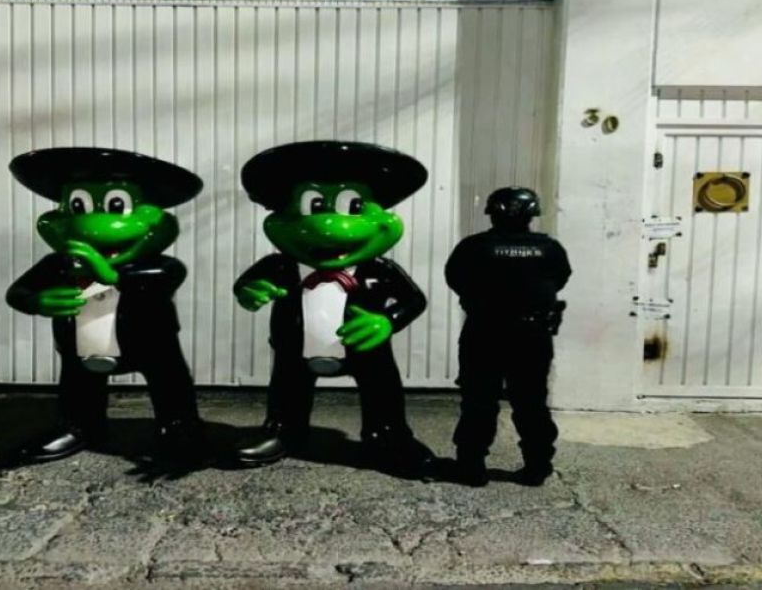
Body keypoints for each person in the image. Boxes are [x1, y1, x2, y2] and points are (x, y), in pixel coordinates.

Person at [233, 140, 437, 478]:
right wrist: (248, 292)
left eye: (353, 206)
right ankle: (283, 430)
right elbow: (245, 285)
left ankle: (388, 436)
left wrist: (387, 320)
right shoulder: (280, 267)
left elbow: (413, 300)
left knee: (382, 390)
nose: (328, 225)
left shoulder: (380, 270)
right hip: (293, 350)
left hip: (366, 350)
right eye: (313, 206)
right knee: (287, 389)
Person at [5, 147, 206, 467]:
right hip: (80, 342)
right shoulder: (60, 263)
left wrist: (104, 271)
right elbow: (19, 291)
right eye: (78, 206)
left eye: (117, 206)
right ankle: (79, 426)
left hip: (150, 339)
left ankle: (179, 425)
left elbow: (161, 277)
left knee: (169, 380)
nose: (92, 225)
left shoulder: (159, 266)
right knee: (78, 383)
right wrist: (35, 301)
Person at [444, 186, 571, 487]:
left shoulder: (473, 246)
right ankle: (537, 467)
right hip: (532, 335)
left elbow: (456, 278)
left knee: (478, 400)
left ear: (492, 212)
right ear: (532, 213)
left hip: (484, 331)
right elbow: (560, 279)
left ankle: (471, 467)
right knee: (531, 401)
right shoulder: (549, 248)